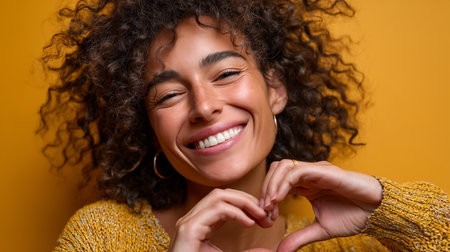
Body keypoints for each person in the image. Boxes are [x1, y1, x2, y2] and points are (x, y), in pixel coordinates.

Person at [39, 0, 448, 251]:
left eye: (226, 74)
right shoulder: (104, 237)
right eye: (168, 96)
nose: (204, 106)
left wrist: (382, 206)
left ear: (275, 91)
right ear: (152, 134)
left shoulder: (354, 242)